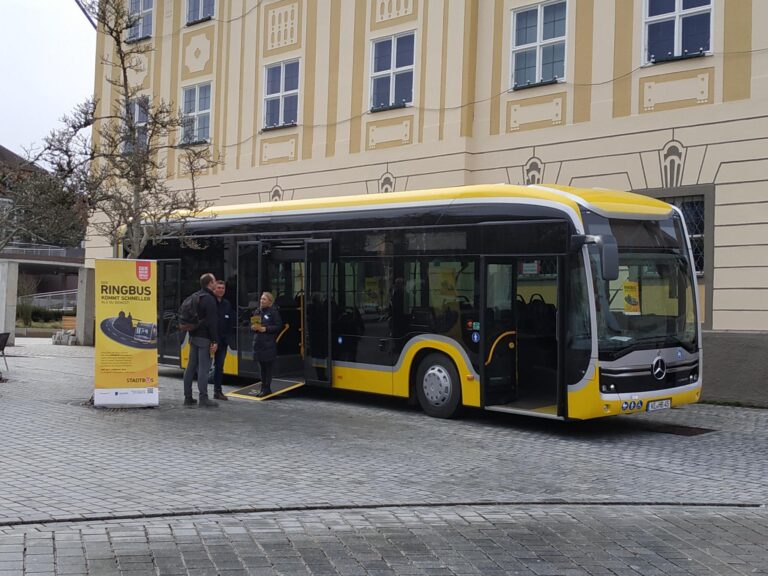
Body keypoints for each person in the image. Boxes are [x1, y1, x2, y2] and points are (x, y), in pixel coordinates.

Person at [182, 273, 220, 408]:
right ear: (210, 284)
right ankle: (203, 399)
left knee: (190, 368)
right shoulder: (209, 299)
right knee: (204, 369)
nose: (216, 283)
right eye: (215, 281)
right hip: (204, 338)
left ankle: (187, 397)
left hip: (193, 336)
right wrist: (215, 341)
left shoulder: (196, 296)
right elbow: (212, 322)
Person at [251, 291, 283, 397]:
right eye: (261, 299)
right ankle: (263, 387)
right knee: (261, 368)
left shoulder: (273, 312)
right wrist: (253, 327)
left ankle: (267, 388)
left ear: (269, 301)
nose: (261, 301)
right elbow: (254, 324)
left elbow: (278, 326)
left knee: (268, 368)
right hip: (258, 343)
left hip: (268, 344)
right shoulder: (257, 311)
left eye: (264, 299)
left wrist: (266, 329)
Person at [211, 280, 233, 401]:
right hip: (210, 341)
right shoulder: (210, 302)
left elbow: (229, 322)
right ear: (214, 290)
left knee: (219, 366)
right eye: (218, 288)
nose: (221, 290)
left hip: (223, 341)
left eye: (223, 288)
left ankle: (217, 391)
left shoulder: (227, 304)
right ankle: (202, 393)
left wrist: (227, 337)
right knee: (203, 367)